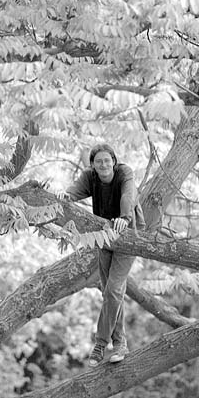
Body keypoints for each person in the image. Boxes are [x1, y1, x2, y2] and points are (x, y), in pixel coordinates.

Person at [57, 143, 146, 367]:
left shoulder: (125, 173)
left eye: (107, 160)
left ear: (114, 162)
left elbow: (128, 195)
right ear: (93, 166)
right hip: (104, 238)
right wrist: (63, 195)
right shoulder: (90, 177)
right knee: (110, 294)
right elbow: (73, 191)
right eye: (98, 162)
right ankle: (120, 344)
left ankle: (100, 343)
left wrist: (124, 218)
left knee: (114, 290)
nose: (104, 165)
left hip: (127, 237)